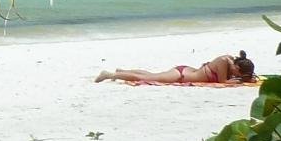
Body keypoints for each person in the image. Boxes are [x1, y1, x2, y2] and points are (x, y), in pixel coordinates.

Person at [96, 51, 255, 86]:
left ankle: (121, 71)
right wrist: (238, 81)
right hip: (182, 75)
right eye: (237, 72)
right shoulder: (223, 61)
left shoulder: (231, 64)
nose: (236, 74)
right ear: (236, 66)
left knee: (152, 75)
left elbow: (232, 78)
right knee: (149, 78)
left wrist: (244, 77)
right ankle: (110, 74)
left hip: (186, 72)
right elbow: (223, 81)